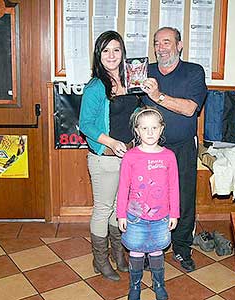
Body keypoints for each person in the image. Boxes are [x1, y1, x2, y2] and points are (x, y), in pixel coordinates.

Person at [141, 27, 207, 272]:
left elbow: (191, 109)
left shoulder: (193, 72)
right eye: (157, 43)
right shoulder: (144, 72)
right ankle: (149, 249)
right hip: (150, 149)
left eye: (167, 42)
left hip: (182, 148)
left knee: (183, 198)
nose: (161, 47)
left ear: (179, 45)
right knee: (149, 198)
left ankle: (181, 248)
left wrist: (158, 96)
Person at [79, 31, 140, 281]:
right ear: (99, 56)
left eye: (116, 50)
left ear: (123, 53)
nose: (112, 55)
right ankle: (100, 260)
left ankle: (118, 255)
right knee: (103, 209)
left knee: (119, 208)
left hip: (127, 157)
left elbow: (135, 113)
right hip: (104, 157)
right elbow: (86, 124)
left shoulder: (133, 81)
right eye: (106, 51)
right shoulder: (96, 86)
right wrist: (112, 142)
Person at [117, 107, 179, 300]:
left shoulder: (169, 156)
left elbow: (174, 187)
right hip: (135, 217)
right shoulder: (130, 156)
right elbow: (123, 187)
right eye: (145, 128)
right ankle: (134, 286)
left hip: (161, 217)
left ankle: (158, 283)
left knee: (157, 249)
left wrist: (174, 213)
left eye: (154, 128)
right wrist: (121, 214)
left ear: (162, 129)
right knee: (135, 250)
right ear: (137, 130)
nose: (150, 133)